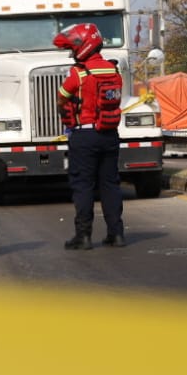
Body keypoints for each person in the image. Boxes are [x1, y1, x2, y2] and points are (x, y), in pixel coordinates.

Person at [54, 22, 126, 249]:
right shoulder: (113, 70)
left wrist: (68, 111)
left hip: (85, 136)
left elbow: (61, 97)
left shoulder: (79, 73)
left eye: (73, 48)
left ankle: (83, 236)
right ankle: (116, 234)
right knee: (110, 184)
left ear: (83, 46)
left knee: (83, 185)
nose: (72, 53)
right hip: (109, 133)